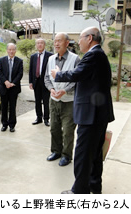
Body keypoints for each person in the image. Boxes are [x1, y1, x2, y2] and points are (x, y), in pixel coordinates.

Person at [51, 27, 115, 194]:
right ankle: (94, 186)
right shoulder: (98, 55)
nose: (78, 41)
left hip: (91, 116)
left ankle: (79, 191)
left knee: (83, 154)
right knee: (94, 155)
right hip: (98, 114)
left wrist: (58, 74)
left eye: (80, 38)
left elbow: (76, 74)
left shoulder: (93, 55)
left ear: (90, 38)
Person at [44, 32, 80, 166]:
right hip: (54, 99)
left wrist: (64, 90)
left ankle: (66, 155)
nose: (56, 43)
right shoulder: (51, 59)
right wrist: (51, 89)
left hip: (69, 101)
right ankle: (56, 151)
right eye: (55, 41)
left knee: (68, 130)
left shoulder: (75, 59)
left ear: (67, 43)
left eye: (60, 41)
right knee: (54, 127)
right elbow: (47, 78)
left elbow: (76, 80)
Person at [0, 43, 23, 132]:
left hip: (14, 88)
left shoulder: (19, 61)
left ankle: (12, 125)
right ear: (7, 50)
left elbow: (20, 74)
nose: (11, 51)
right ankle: (4, 124)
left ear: (15, 51)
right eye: (10, 49)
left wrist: (12, 83)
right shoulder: (1, 60)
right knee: (4, 106)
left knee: (12, 106)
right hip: (4, 87)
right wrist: (6, 82)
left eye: (13, 49)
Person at [29, 38, 53, 126]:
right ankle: (39, 117)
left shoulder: (50, 56)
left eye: (41, 43)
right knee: (37, 101)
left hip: (46, 82)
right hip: (36, 82)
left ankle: (46, 119)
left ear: (44, 45)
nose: (39, 45)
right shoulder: (33, 56)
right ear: (36, 45)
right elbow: (31, 70)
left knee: (46, 101)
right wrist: (30, 82)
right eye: (38, 43)